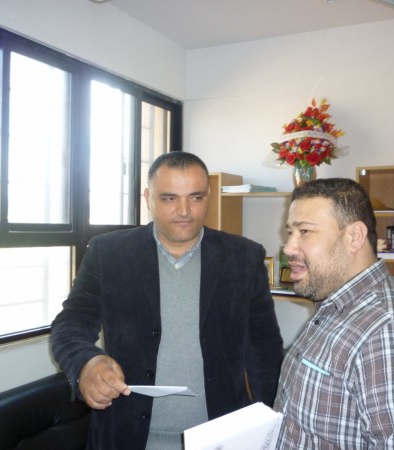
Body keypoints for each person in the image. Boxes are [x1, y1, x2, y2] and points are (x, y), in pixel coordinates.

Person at [50, 151, 284, 450]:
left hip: (220, 437)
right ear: (148, 198)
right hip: (127, 436)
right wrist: (87, 362)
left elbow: (265, 350)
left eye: (196, 197)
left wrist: (272, 428)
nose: (184, 210)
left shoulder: (243, 257)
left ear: (208, 196)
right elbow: (70, 325)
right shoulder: (108, 253)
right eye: (169, 198)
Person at [273, 178, 394, 449]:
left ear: (354, 237)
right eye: (290, 232)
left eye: (304, 231)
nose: (288, 248)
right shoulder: (335, 308)